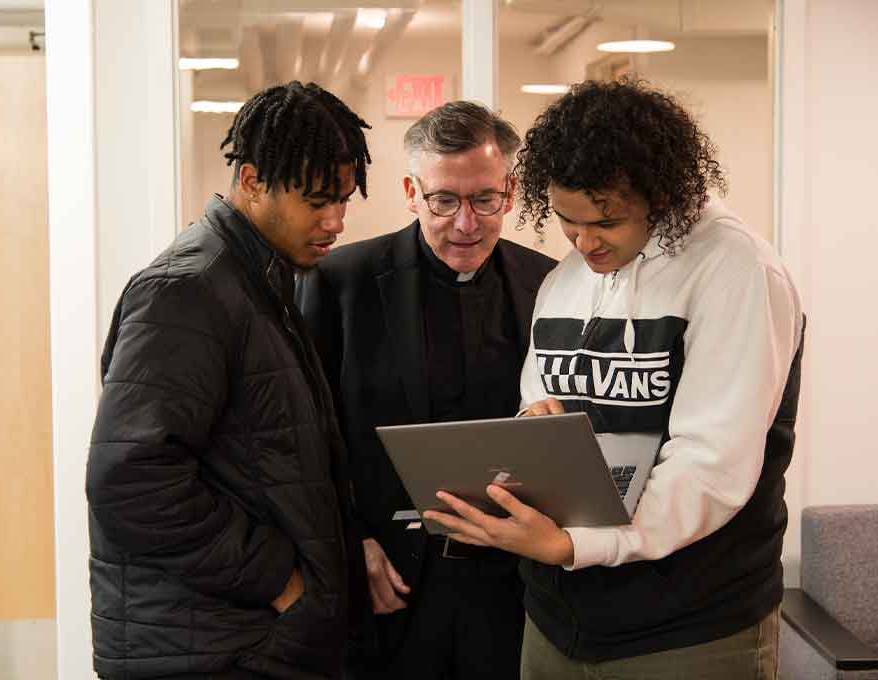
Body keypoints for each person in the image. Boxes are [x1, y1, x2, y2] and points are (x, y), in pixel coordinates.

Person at [424, 79, 804, 680]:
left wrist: (577, 547)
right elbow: (537, 398)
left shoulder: (736, 271)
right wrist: (533, 433)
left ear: (660, 196)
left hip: (688, 624)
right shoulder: (569, 279)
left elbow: (712, 464)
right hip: (559, 615)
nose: (582, 241)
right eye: (566, 221)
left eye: (605, 221)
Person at [85, 81, 373, 680]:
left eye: (344, 200)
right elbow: (130, 479)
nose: (336, 220)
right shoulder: (189, 288)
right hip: (216, 650)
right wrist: (280, 581)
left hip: (240, 640)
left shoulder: (259, 277)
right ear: (251, 181)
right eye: (318, 200)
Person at [295, 101, 557, 679]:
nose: (466, 223)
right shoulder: (339, 283)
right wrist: (349, 542)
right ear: (412, 192)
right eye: (444, 200)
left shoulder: (549, 284)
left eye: (485, 200)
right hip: (390, 578)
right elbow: (306, 435)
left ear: (510, 193)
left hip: (513, 585)